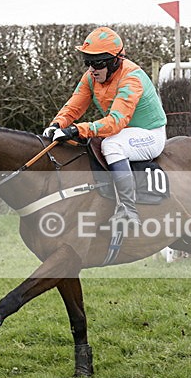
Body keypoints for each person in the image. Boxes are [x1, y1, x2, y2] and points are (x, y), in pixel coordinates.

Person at [43, 26, 167, 227]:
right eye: (88, 62)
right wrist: (57, 124)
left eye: (97, 63)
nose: (92, 69)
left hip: (149, 135)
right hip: (125, 133)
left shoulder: (131, 78)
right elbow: (74, 106)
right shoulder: (91, 77)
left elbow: (115, 122)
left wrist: (76, 129)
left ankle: (128, 209)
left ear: (115, 61)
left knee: (111, 145)